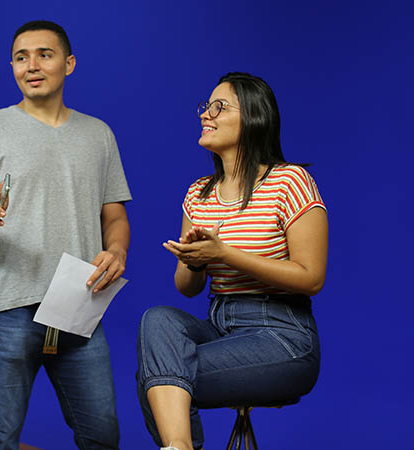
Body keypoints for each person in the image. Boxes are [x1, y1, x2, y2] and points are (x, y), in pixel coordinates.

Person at [0, 20, 131, 450]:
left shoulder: (99, 135)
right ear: (11, 66)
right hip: (6, 308)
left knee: (102, 436)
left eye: (44, 54)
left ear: (69, 63)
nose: (32, 65)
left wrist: (117, 250)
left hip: (79, 305)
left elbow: (115, 217)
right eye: (21, 57)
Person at [137, 72, 326, 450]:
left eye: (218, 107)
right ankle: (180, 447)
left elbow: (311, 278)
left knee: (157, 381)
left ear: (254, 117)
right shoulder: (198, 194)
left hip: (282, 335)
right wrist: (195, 261)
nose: (205, 114)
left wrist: (225, 254)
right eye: (205, 107)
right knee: (157, 319)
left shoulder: (290, 181)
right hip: (220, 325)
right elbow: (187, 289)